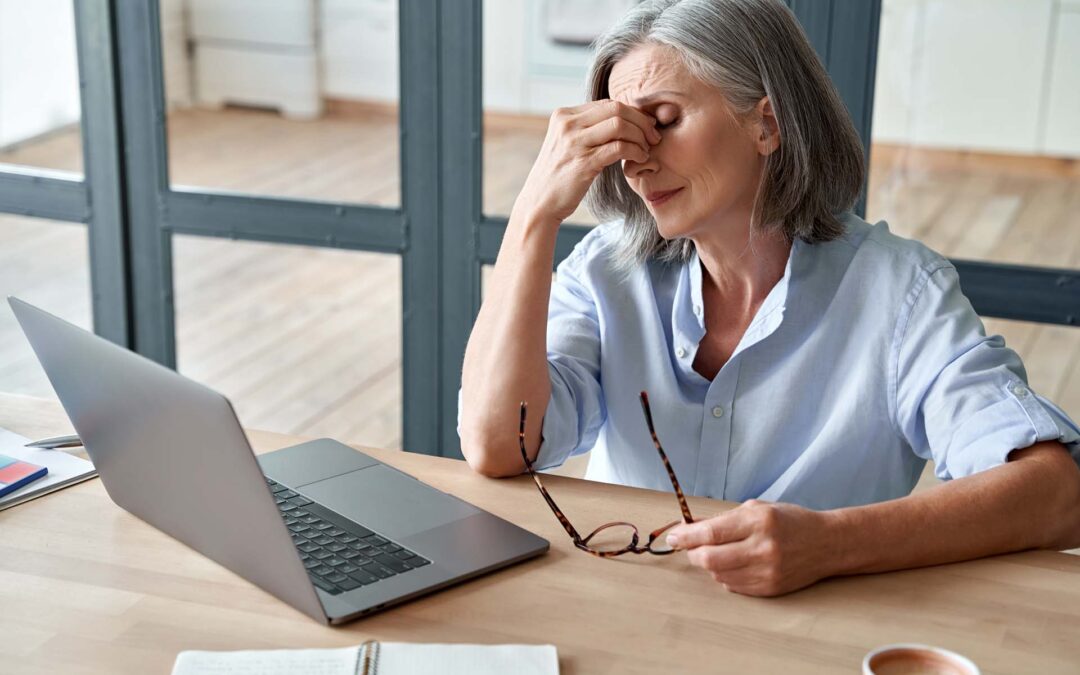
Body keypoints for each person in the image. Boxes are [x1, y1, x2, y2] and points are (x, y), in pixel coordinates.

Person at [457, 0, 1080, 596]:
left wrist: (830, 543)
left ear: (767, 123)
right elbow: (498, 446)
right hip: (628, 614)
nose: (635, 164)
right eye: (623, 135)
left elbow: (1057, 492)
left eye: (663, 121)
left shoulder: (899, 294)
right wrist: (533, 213)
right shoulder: (606, 271)